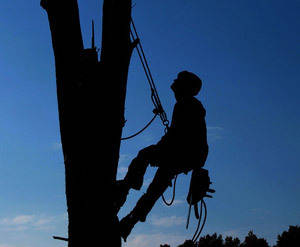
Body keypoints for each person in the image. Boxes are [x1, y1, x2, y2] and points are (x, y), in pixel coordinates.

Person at [116, 71, 209, 241]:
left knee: (143, 156)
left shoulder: (185, 104)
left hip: (182, 153)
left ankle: (124, 191)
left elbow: (176, 136)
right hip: (190, 156)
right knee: (157, 186)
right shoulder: (192, 105)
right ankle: (131, 221)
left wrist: (159, 151)